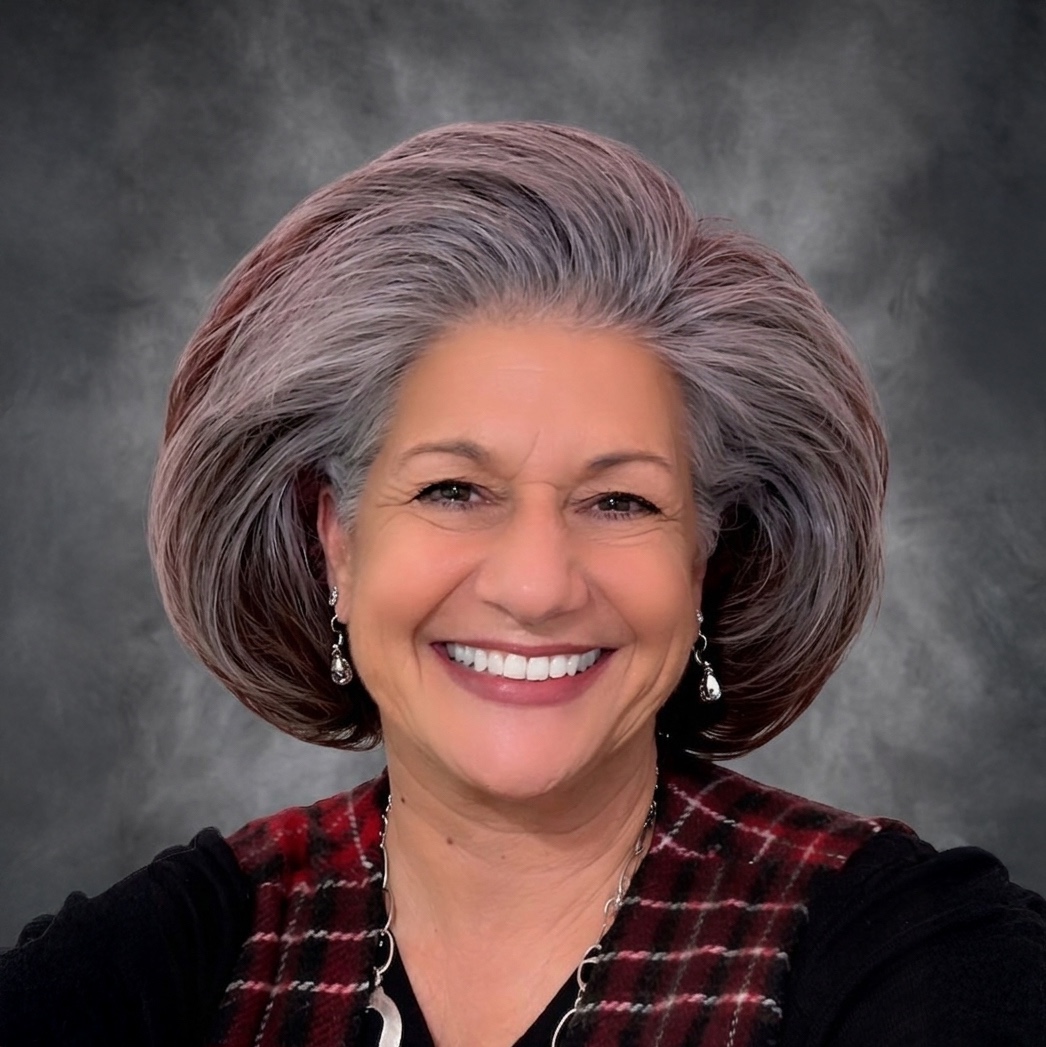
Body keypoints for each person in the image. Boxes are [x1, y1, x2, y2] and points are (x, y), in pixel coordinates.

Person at [0, 121, 1042, 1047]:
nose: (537, 587)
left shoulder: (921, 957)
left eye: (620, 501)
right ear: (336, 540)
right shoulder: (170, 955)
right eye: (454, 490)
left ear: (705, 557)